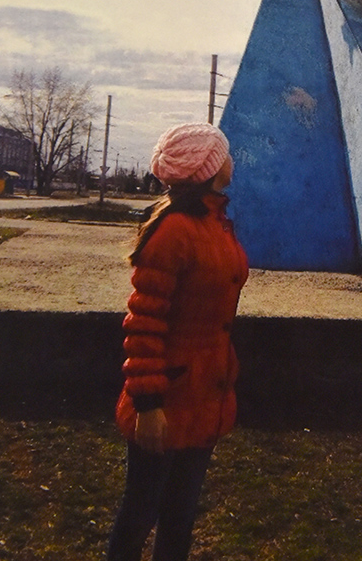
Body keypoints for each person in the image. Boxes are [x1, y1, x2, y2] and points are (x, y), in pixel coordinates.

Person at [107, 122, 248, 561]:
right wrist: (148, 407)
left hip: (204, 390)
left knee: (180, 515)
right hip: (168, 397)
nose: (231, 160)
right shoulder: (174, 232)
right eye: (223, 153)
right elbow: (144, 325)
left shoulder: (212, 222)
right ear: (208, 168)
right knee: (141, 510)